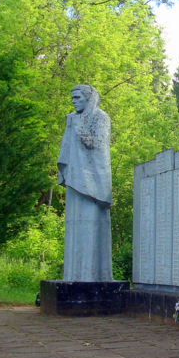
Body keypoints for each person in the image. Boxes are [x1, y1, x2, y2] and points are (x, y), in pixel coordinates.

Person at [57, 85, 113, 281]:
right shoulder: (72, 118)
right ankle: (73, 274)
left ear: (88, 99)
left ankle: (92, 275)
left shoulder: (100, 117)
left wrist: (80, 128)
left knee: (92, 225)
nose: (74, 101)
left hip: (93, 182)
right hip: (74, 177)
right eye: (72, 98)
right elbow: (66, 148)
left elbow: (98, 145)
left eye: (78, 97)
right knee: (74, 225)